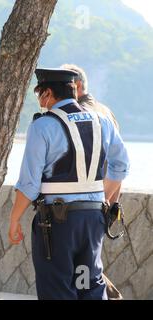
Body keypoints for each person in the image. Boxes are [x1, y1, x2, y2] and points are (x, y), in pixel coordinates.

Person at [7, 68, 130, 300]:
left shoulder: (42, 126)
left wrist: (14, 219)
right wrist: (98, 196)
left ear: (48, 93)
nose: (41, 102)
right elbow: (121, 164)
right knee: (89, 284)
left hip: (57, 224)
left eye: (39, 95)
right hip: (93, 219)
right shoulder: (102, 121)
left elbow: (30, 184)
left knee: (58, 288)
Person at [62, 63, 123, 299]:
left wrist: (100, 201)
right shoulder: (106, 111)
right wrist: (111, 202)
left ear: (76, 86)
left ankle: (113, 297)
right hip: (102, 202)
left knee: (84, 269)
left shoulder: (81, 114)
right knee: (87, 266)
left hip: (87, 204)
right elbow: (120, 164)